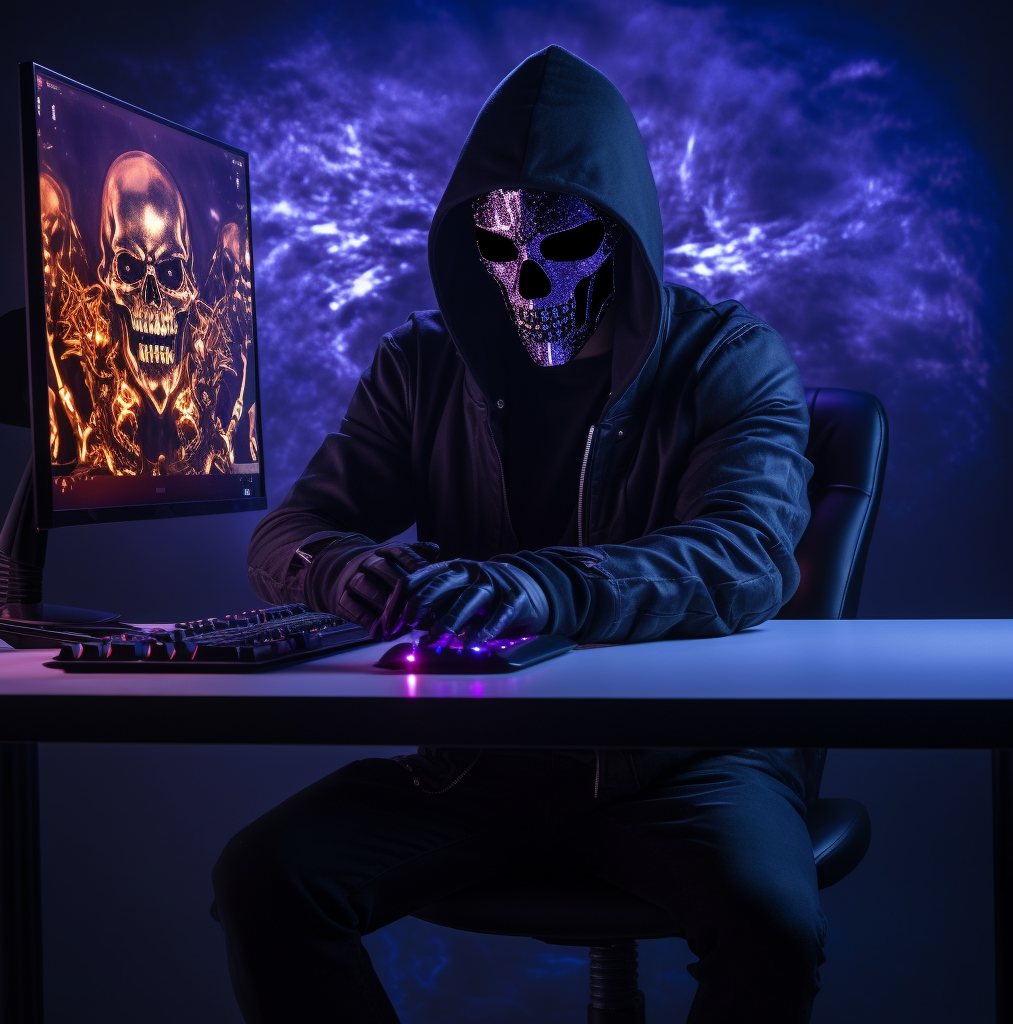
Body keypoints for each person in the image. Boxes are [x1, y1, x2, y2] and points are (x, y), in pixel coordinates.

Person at [212, 45, 824, 1023]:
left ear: (620, 237)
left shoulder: (729, 360)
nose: (529, 280)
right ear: (470, 246)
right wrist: (343, 573)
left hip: (681, 768)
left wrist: (545, 588)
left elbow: (746, 556)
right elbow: (289, 530)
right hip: (476, 766)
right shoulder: (421, 367)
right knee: (266, 878)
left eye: (562, 245)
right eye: (501, 251)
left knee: (773, 928)